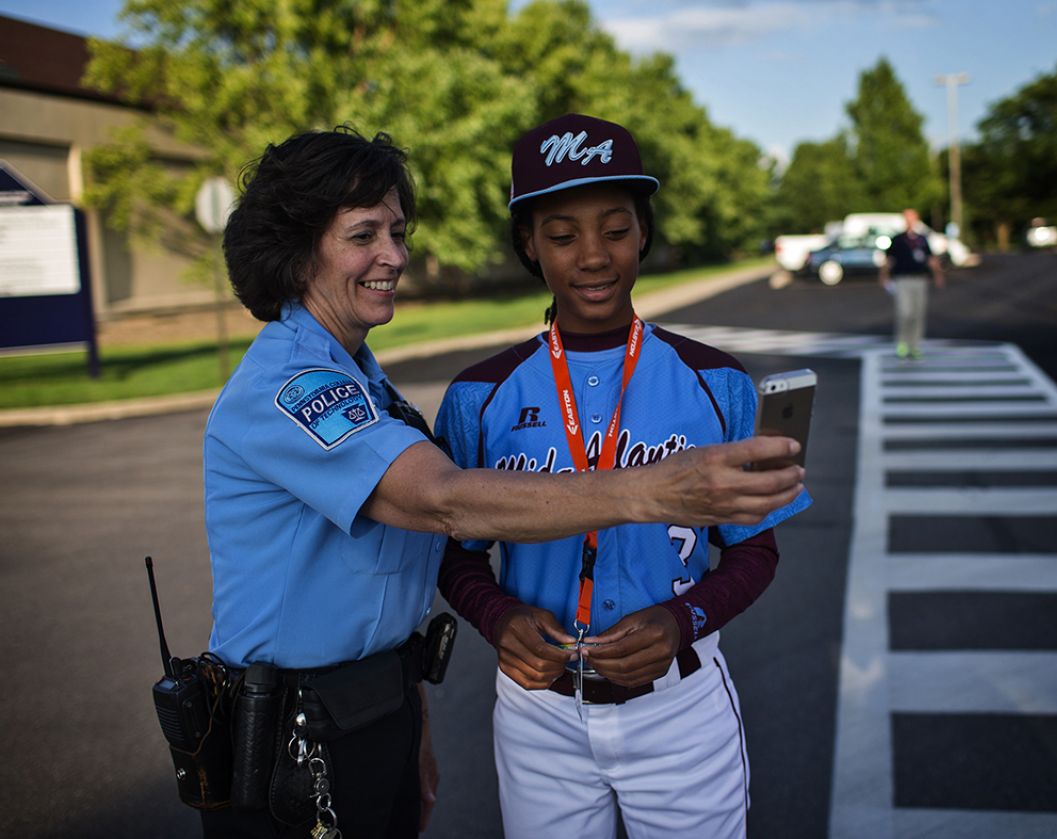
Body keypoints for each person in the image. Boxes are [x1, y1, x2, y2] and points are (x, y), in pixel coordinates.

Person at [200, 126, 805, 838]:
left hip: (383, 711)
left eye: (397, 231)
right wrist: (651, 490)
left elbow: (400, 585)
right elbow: (442, 502)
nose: (394, 255)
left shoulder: (364, 379)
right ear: (297, 248)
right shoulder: (298, 382)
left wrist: (411, 725)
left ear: (643, 233)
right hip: (301, 736)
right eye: (363, 234)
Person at [434, 113, 813, 838]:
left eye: (614, 228)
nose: (593, 256)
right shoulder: (478, 394)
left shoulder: (716, 382)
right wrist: (497, 615)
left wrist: (683, 619)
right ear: (527, 245)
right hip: (537, 709)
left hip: (680, 707)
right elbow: (453, 549)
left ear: (643, 232)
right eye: (562, 234)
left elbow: (755, 547)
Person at [879, 207, 945, 359]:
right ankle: (902, 343)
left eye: (912, 217)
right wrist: (884, 277)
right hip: (902, 279)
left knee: (918, 313)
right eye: (907, 217)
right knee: (904, 312)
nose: (909, 220)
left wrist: (938, 275)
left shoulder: (922, 239)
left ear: (916, 219)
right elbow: (888, 260)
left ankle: (915, 345)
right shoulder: (897, 239)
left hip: (920, 279)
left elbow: (931, 259)